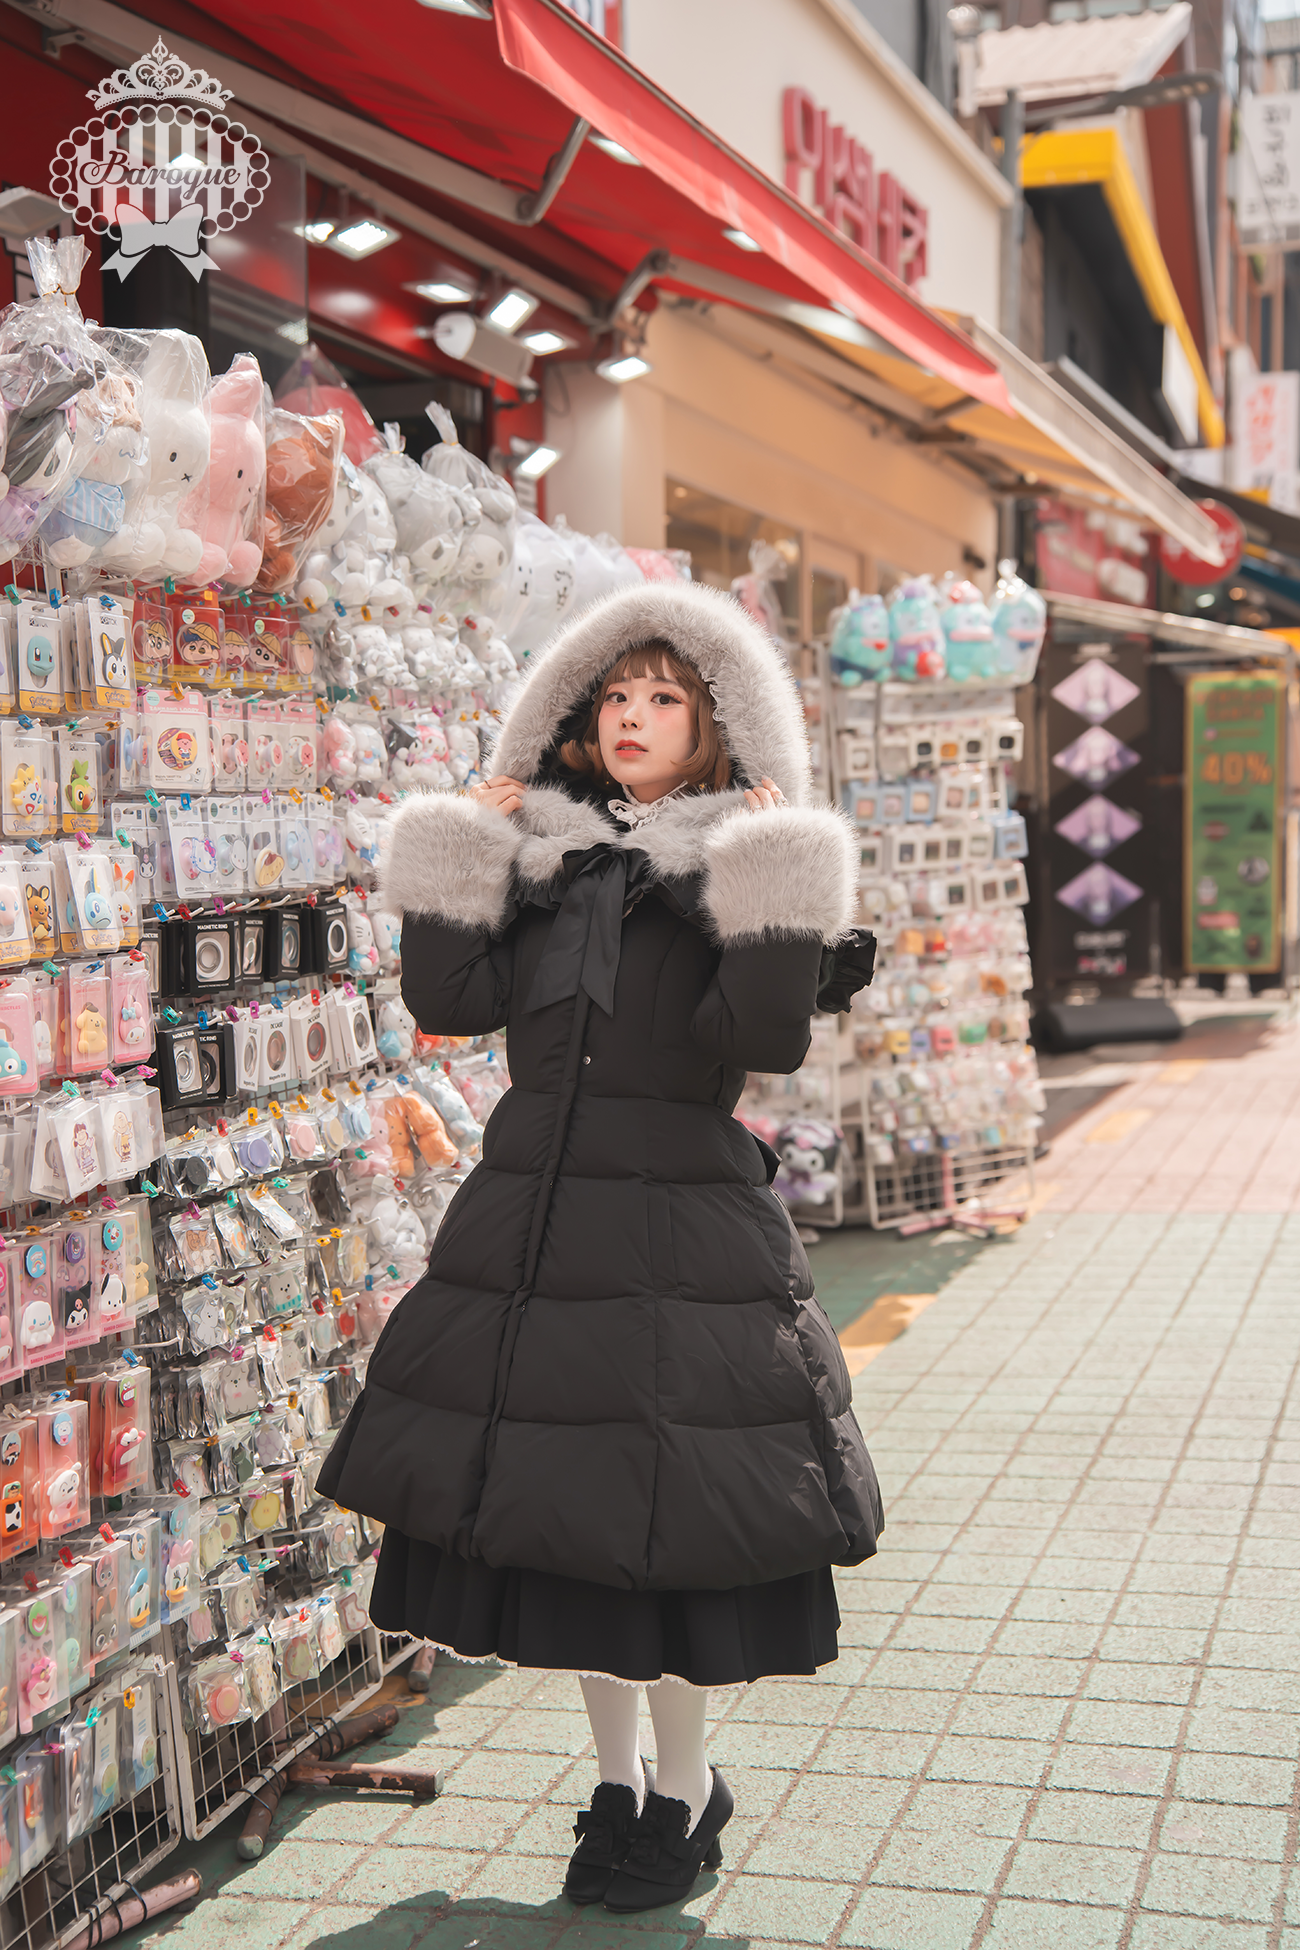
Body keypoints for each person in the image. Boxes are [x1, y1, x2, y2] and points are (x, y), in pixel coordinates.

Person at [319, 580, 883, 1914]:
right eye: (615, 695)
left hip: (679, 1227)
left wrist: (771, 871)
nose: (634, 717)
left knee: (668, 1531)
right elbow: (451, 998)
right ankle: (619, 1785)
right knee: (570, 1525)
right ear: (575, 716)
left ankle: (684, 1792)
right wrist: (464, 843)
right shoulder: (553, 863)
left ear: (717, 723)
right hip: (539, 1224)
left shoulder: (733, 860)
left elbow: (761, 1036)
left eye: (666, 698)